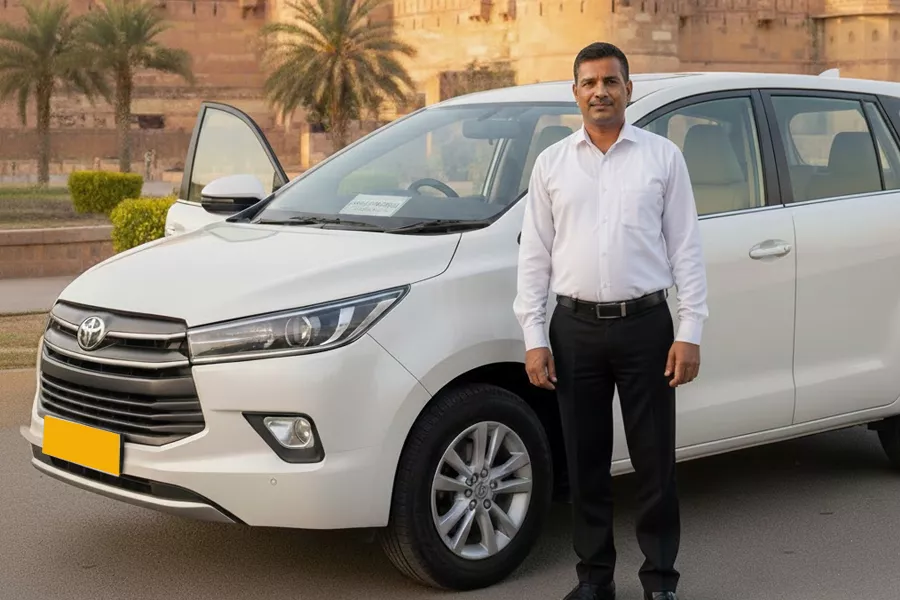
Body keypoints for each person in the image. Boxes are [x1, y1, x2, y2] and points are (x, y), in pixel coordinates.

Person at [513, 42, 708, 600]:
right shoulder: (552, 163)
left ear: (629, 89)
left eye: (611, 81)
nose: (600, 90)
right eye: (589, 82)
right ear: (574, 92)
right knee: (586, 463)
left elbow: (686, 248)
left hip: (647, 327)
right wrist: (534, 337)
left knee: (654, 463)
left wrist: (689, 330)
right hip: (572, 330)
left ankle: (660, 583)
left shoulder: (662, 158)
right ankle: (595, 581)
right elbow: (535, 257)